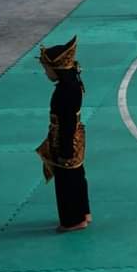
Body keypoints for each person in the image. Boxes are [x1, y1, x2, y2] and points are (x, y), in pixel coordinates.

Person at [36, 37, 92, 232]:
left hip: (66, 139)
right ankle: (83, 212)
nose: (46, 73)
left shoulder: (65, 91)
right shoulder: (72, 83)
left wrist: (65, 149)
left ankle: (73, 219)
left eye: (47, 69)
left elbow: (66, 121)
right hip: (74, 135)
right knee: (77, 176)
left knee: (66, 179)